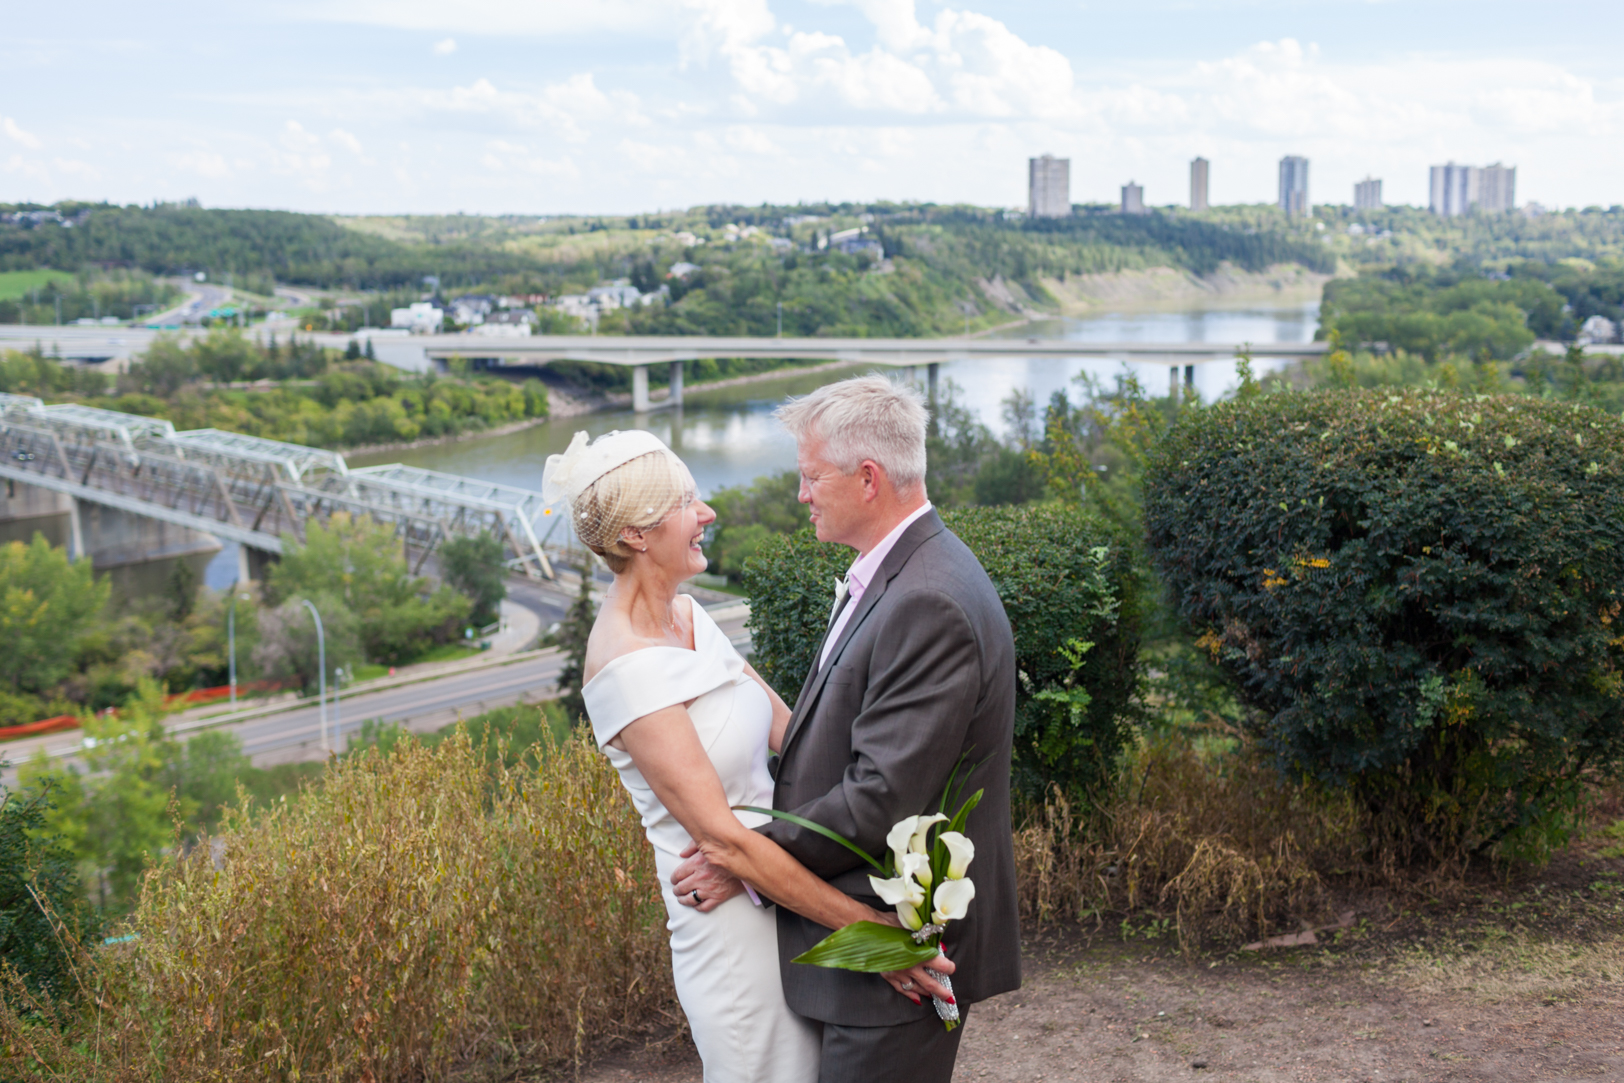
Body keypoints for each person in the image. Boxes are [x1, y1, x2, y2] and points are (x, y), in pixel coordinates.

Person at [543, 428, 947, 1083]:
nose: (707, 515)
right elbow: (722, 844)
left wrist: (897, 762)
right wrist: (873, 935)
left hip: (786, 895)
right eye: (686, 503)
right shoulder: (625, 670)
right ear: (637, 535)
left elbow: (796, 738)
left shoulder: (689, 616)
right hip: (731, 934)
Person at [671, 376, 1022, 1082]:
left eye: (810, 476)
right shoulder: (899, 571)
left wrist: (743, 857)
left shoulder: (928, 600)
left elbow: (877, 800)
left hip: (894, 943)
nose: (801, 494)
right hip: (866, 950)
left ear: (868, 479)